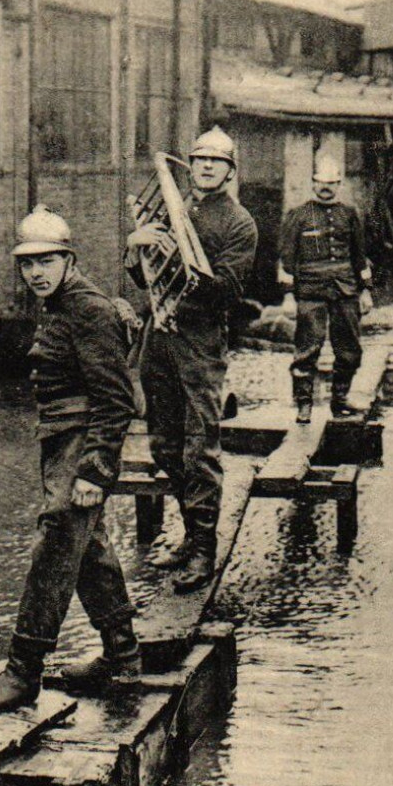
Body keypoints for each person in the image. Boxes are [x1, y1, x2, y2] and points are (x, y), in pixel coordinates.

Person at [0, 206, 141, 713]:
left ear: (69, 259)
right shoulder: (61, 303)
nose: (35, 273)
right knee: (87, 549)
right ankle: (123, 658)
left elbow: (116, 400)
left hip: (80, 445)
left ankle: (24, 671)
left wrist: (94, 470)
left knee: (55, 547)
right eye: (27, 264)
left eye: (46, 261)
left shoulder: (88, 309)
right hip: (62, 440)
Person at [125, 127, 258, 593]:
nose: (205, 167)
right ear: (190, 164)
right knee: (163, 444)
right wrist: (138, 245)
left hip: (200, 342)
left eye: (215, 161)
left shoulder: (239, 223)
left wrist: (180, 262)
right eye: (199, 159)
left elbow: (229, 290)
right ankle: (189, 532)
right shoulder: (173, 207)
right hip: (158, 339)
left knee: (199, 447)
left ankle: (204, 549)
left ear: (229, 170)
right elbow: (142, 280)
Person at [278, 153, 373, 424]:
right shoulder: (298, 216)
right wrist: (287, 296)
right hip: (310, 291)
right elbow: (287, 259)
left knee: (349, 349)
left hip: (345, 290)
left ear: (339, 183)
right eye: (321, 181)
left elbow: (360, 256)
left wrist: (365, 290)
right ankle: (304, 404)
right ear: (312, 183)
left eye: (331, 182)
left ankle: (340, 400)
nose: (326, 187)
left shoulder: (350, 215)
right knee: (308, 348)